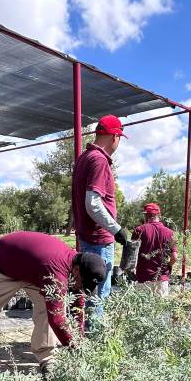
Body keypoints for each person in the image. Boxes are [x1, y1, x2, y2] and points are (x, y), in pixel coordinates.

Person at [0, 231, 106, 374]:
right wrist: (74, 348)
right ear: (76, 270)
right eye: (83, 284)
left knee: (47, 310)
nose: (81, 288)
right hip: (2, 264)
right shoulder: (57, 273)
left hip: (36, 271)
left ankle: (46, 358)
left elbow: (77, 306)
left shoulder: (77, 266)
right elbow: (57, 319)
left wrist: (80, 339)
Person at [71, 114, 130, 316]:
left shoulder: (83, 159)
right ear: (115, 137)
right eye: (119, 138)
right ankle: (97, 342)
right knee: (99, 294)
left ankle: (86, 338)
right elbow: (93, 203)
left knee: (88, 291)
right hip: (99, 239)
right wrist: (117, 229)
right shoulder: (99, 161)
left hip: (86, 237)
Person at [132, 203, 178, 297]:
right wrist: (168, 266)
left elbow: (131, 256)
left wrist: (130, 272)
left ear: (145, 215)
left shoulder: (139, 230)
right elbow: (174, 257)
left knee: (143, 310)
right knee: (159, 310)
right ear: (158, 215)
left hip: (143, 278)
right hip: (162, 279)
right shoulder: (170, 233)